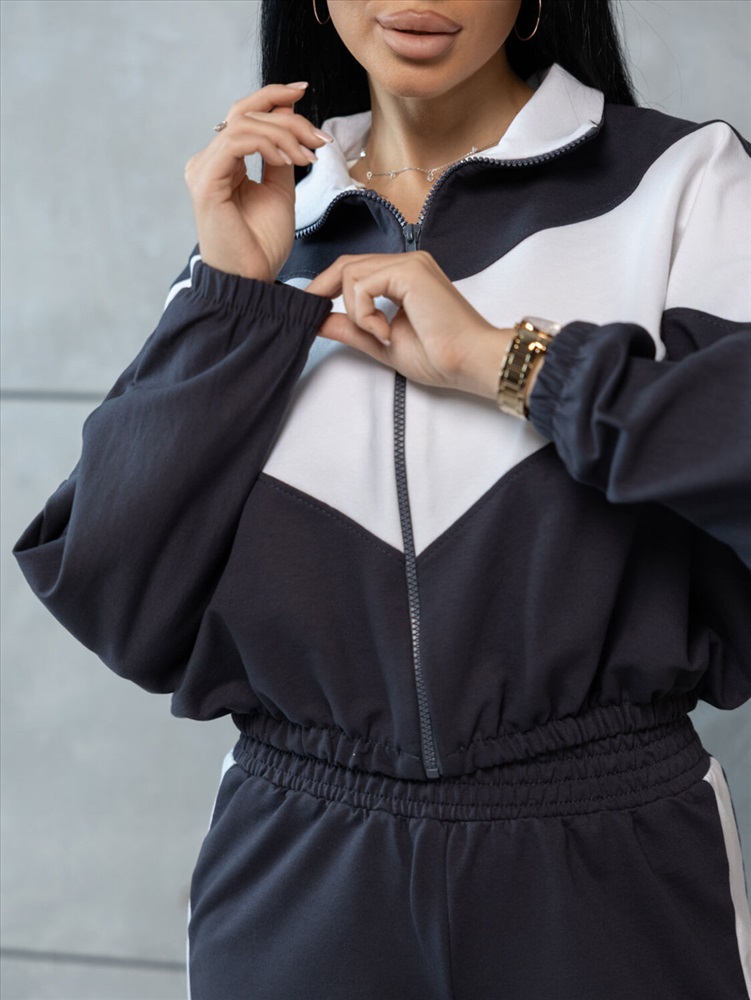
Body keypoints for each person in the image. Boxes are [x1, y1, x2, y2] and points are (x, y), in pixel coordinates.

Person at [14, 0, 751, 996]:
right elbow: (112, 591)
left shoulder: (683, 182)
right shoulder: (270, 220)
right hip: (298, 878)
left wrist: (507, 361)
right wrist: (234, 299)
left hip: (608, 869)